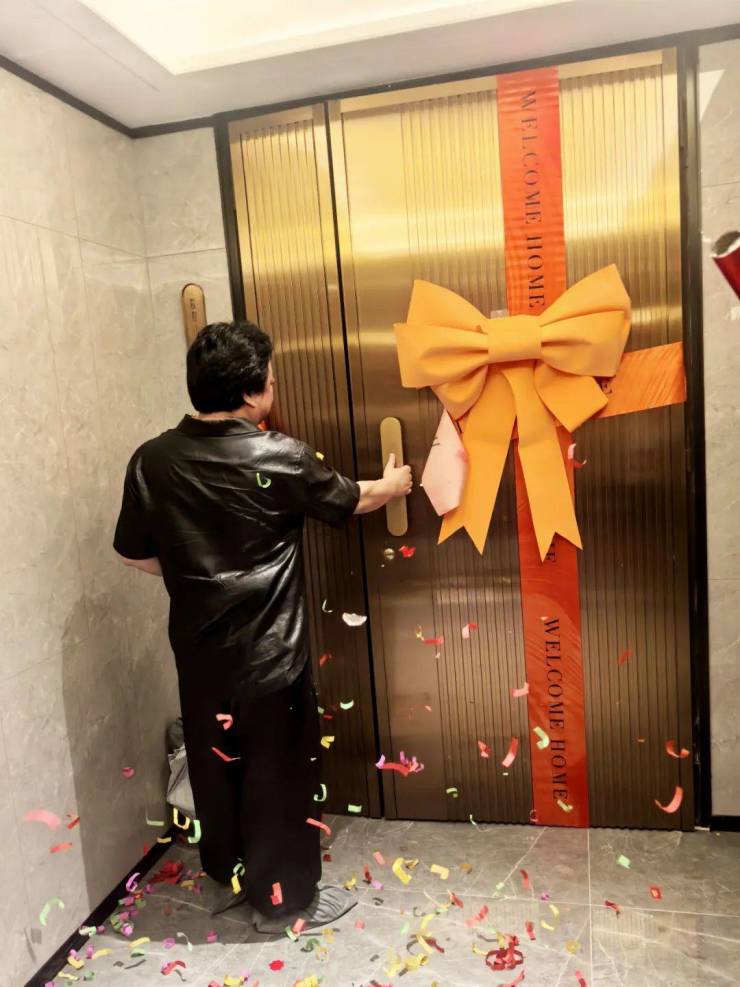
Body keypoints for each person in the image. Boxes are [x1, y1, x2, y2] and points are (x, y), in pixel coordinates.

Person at [113, 320, 412, 931]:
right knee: (277, 777)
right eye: (270, 381)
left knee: (216, 768)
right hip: (271, 655)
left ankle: (228, 877)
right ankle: (284, 902)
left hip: (200, 656)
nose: (272, 389)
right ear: (251, 393)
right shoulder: (280, 455)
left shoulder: (151, 461)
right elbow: (351, 498)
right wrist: (394, 484)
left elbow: (133, 554)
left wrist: (196, 574)